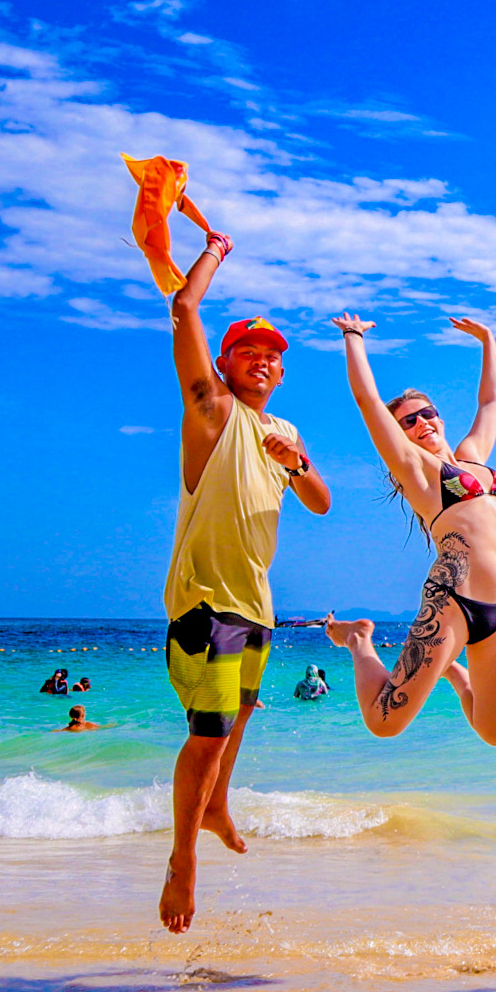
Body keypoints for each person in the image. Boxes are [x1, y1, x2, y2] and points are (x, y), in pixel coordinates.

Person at [160, 233, 333, 935]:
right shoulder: (212, 411)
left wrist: (296, 461)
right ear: (225, 364)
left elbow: (321, 500)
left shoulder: (282, 429)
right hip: (205, 600)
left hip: (257, 603)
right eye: (247, 351)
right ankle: (181, 861)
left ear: (282, 373)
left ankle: (216, 805)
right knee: (208, 734)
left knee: (244, 717)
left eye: (273, 355)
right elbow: (183, 307)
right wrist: (212, 251)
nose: (262, 360)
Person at [322, 315, 496, 746]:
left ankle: (452, 669)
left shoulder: (471, 458)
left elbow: (492, 402)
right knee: (384, 721)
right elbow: (367, 400)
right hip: (453, 599)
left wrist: (489, 339)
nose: (422, 423)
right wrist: (353, 337)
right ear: (401, 437)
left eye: (427, 413)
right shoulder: (416, 470)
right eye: (409, 422)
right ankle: (359, 640)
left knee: (494, 732)